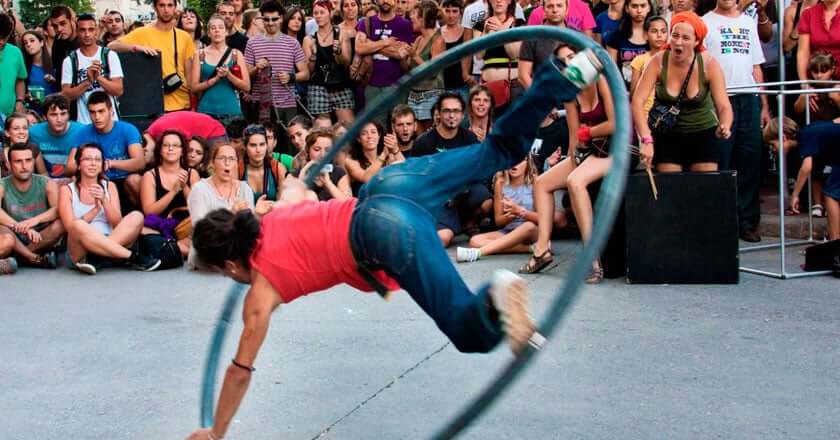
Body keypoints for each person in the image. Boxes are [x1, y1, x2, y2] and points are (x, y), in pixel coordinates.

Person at [184, 50, 603, 440]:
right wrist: (304, 175)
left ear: (229, 265)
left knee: (468, 331)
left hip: (381, 231)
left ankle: (494, 298)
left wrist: (215, 433)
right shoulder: (270, 217)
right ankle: (569, 74)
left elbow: (240, 371)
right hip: (390, 183)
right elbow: (297, 184)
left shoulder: (259, 295)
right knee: (496, 149)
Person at [522, 45, 616, 283]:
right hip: (592, 150)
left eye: (572, 57)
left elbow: (615, 125)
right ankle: (542, 250)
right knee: (542, 182)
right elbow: (575, 137)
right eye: (564, 62)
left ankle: (593, 260)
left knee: (575, 182)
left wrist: (588, 133)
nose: (570, 64)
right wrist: (575, 159)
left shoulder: (602, 80)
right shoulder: (570, 92)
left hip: (618, 149)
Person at [703, 0, 770, 243]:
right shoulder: (705, 23)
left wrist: (764, 105)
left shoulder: (747, 22)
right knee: (722, 159)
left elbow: (756, 66)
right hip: (721, 98)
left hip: (749, 98)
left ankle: (748, 222)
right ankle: (723, 221)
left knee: (751, 160)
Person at [634, 12, 733, 173]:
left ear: (697, 41)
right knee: (671, 187)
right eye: (675, 36)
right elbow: (638, 101)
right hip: (668, 133)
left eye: (686, 38)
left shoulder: (709, 65)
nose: (678, 42)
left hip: (703, 132)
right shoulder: (658, 62)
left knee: (703, 187)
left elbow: (724, 106)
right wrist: (646, 139)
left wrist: (725, 125)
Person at [57, 143, 160, 275]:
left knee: (137, 216)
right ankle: (132, 257)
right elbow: (69, 228)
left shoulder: (109, 186)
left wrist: (104, 201)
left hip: (111, 237)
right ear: (78, 164)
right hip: (80, 250)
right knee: (77, 224)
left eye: (97, 160)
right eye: (88, 159)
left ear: (102, 165)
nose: (93, 164)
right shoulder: (67, 190)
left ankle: (98, 257)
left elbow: (117, 223)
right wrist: (94, 210)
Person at [109, 0, 198, 113]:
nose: (166, 10)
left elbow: (189, 76)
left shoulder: (184, 37)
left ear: (175, 8)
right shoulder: (142, 32)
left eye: (170, 5)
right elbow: (111, 46)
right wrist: (136, 48)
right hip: (152, 104)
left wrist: (193, 105)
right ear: (155, 7)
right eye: (162, 5)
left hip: (181, 103)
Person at [186, 142, 258, 269]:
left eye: (231, 159)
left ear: (237, 163)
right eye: (222, 158)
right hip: (209, 248)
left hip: (236, 248)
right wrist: (231, 213)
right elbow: (201, 232)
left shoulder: (244, 188)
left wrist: (258, 214)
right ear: (212, 163)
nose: (227, 163)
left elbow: (249, 229)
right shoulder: (200, 189)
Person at [69, 91, 145, 210]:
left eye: (101, 111)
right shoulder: (82, 132)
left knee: (135, 179)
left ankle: (148, 219)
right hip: (97, 181)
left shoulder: (127, 129)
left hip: (124, 180)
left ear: (111, 111)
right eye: (92, 112)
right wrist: (90, 164)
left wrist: (110, 163)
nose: (97, 117)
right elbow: (69, 167)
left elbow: (140, 163)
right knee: (74, 180)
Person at [456, 157, 538, 262]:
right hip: (509, 230)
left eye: (520, 160)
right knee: (474, 241)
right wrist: (511, 215)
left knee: (528, 226)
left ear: (528, 162)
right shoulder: (501, 183)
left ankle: (478, 253)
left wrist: (520, 211)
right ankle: (528, 248)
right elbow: (499, 221)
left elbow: (543, 218)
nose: (514, 164)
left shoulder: (535, 181)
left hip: (532, 230)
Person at [244, 1, 309, 134]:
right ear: (262, 19)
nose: (270, 23)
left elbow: (305, 74)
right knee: (263, 146)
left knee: (289, 148)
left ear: (281, 19)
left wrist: (290, 77)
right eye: (266, 19)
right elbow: (246, 76)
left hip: (287, 104)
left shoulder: (293, 43)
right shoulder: (252, 43)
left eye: (274, 19)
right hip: (260, 104)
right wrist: (256, 68)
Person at [0, 143, 64, 273]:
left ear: (34, 162)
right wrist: (20, 227)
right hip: (12, 233)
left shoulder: (47, 183)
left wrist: (34, 221)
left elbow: (58, 209)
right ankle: (32, 258)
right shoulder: (2, 184)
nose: (24, 166)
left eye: (28, 160)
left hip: (39, 237)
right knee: (6, 237)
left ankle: (19, 257)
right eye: (18, 161)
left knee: (61, 223)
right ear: (9, 164)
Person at [140, 130, 200, 256]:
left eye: (175, 145)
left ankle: (173, 249)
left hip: (186, 225)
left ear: (182, 151)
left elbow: (199, 207)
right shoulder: (150, 175)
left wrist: (184, 187)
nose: (170, 149)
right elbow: (149, 211)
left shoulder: (192, 174)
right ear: (160, 151)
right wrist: (173, 191)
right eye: (166, 145)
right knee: (141, 230)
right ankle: (178, 249)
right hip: (159, 225)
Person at [354, 0, 413, 124]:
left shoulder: (404, 24)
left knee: (398, 128)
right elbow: (359, 48)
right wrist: (386, 42)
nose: (385, 1)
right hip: (372, 85)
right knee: (376, 128)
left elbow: (400, 53)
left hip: (398, 86)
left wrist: (371, 44)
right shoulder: (366, 22)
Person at [61, 14, 124, 124]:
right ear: (77, 32)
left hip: (111, 122)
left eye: (91, 29)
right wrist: (88, 81)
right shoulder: (70, 60)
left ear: (96, 31)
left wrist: (98, 77)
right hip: (83, 123)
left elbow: (118, 90)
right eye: (82, 30)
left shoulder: (109, 55)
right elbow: (66, 95)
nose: (87, 34)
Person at [191, 15, 251, 124]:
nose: (217, 31)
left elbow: (247, 86)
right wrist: (214, 79)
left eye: (220, 27)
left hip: (231, 111)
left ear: (226, 32)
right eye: (213, 28)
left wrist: (229, 75)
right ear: (208, 33)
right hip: (206, 111)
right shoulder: (200, 54)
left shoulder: (236, 54)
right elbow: (194, 87)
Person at [304, 1, 355, 124]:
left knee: (347, 127)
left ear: (330, 13)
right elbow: (308, 72)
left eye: (322, 12)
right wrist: (313, 56)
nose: (318, 16)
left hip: (340, 84)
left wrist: (338, 52)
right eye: (316, 13)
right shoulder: (309, 39)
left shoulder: (341, 34)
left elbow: (346, 63)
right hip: (318, 86)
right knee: (322, 129)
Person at [472, 0, 526, 113]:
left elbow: (514, 53)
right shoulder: (481, 25)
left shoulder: (518, 24)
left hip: (513, 86)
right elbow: (478, 55)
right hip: (489, 86)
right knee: (492, 127)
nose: (498, 1)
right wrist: (486, 34)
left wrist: (501, 30)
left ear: (509, 1)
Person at [406, 0, 446, 133]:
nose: (411, 17)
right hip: (414, 95)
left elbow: (433, 72)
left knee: (429, 137)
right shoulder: (418, 39)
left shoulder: (438, 40)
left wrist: (415, 56)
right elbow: (409, 68)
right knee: (417, 139)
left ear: (423, 20)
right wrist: (404, 55)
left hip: (431, 95)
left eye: (414, 14)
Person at [29, 94, 83, 178]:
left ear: (69, 115)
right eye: (53, 115)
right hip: (44, 181)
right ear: (44, 117)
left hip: (73, 181)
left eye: (63, 114)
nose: (59, 119)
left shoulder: (81, 131)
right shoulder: (33, 132)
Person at [345, 120, 404, 195]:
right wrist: (384, 154)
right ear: (358, 139)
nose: (369, 136)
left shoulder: (389, 158)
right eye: (364, 133)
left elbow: (406, 171)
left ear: (379, 136)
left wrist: (395, 149)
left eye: (373, 132)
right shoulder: (351, 161)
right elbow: (366, 178)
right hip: (364, 202)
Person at [604, 0, 653, 88]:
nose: (639, 10)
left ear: (649, 7)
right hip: (621, 91)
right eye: (634, 6)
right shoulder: (615, 36)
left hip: (649, 92)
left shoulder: (655, 36)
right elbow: (611, 71)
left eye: (643, 6)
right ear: (627, 8)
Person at [297, 127, 353, 200]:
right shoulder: (296, 174)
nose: (322, 155)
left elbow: (348, 204)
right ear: (308, 150)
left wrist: (328, 183)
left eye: (327, 150)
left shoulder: (339, 173)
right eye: (317, 149)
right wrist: (301, 179)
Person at [238, 124, 286, 201]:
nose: (258, 150)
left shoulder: (277, 168)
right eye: (253, 145)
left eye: (262, 144)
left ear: (266, 145)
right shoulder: (239, 169)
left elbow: (284, 203)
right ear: (245, 147)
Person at [440, 0, 472, 99]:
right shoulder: (437, 33)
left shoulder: (466, 31)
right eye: (447, 11)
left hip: (462, 85)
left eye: (454, 11)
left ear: (460, 12)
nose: (451, 15)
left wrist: (466, 75)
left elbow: (469, 54)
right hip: (442, 87)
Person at [0, 13, 27, 119]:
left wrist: (20, 101)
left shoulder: (15, 52)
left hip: (9, 118)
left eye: (4, 37)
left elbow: (20, 80)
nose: (1, 41)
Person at [21, 30, 57, 99]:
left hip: (54, 107)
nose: (28, 44)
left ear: (41, 43)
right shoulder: (25, 67)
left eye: (32, 41)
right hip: (33, 108)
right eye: (25, 43)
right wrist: (27, 96)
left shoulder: (55, 64)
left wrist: (55, 81)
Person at [48, 6, 78, 86]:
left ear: (72, 20)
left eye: (63, 23)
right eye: (55, 26)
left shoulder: (84, 40)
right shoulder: (57, 44)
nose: (59, 29)